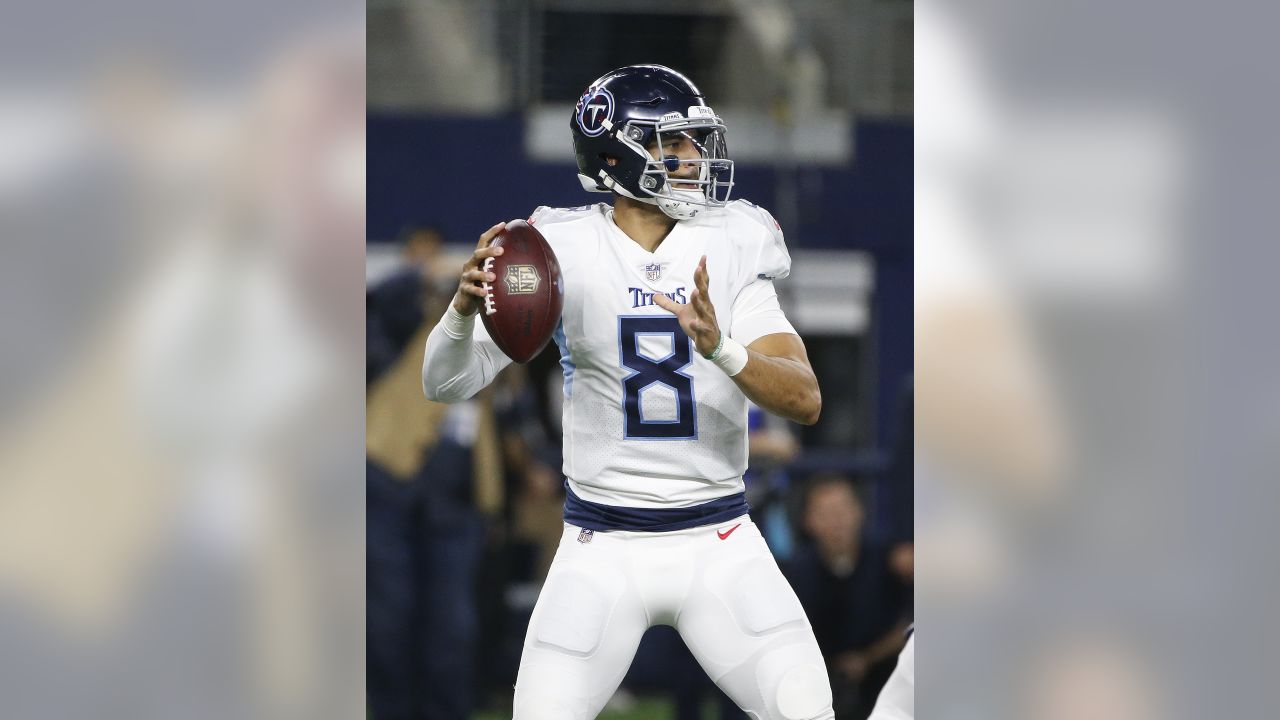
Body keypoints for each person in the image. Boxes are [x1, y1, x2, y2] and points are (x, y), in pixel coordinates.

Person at [422, 64, 833, 720]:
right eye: (673, 145)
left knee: (806, 711)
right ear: (617, 155)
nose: (695, 158)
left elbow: (804, 397)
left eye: (696, 142)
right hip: (601, 546)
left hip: (719, 539)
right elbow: (442, 383)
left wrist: (720, 346)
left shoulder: (733, 239)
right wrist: (462, 313)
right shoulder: (558, 247)